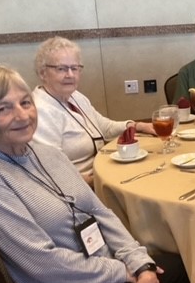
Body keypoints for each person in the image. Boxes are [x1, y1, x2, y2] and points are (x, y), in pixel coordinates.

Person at [0, 65, 193, 283]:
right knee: (177, 270)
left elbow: (99, 212)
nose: (22, 115)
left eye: (25, 102)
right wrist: (125, 272)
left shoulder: (46, 153)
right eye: (3, 108)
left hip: (95, 265)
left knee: (154, 264)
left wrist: (139, 263)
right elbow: (44, 263)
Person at [31, 37, 155, 187]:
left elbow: (104, 127)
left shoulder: (75, 96)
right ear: (43, 73)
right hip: (80, 188)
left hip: (101, 173)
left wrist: (137, 126)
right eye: (61, 69)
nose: (70, 75)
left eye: (74, 68)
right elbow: (54, 171)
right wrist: (100, 180)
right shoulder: (40, 111)